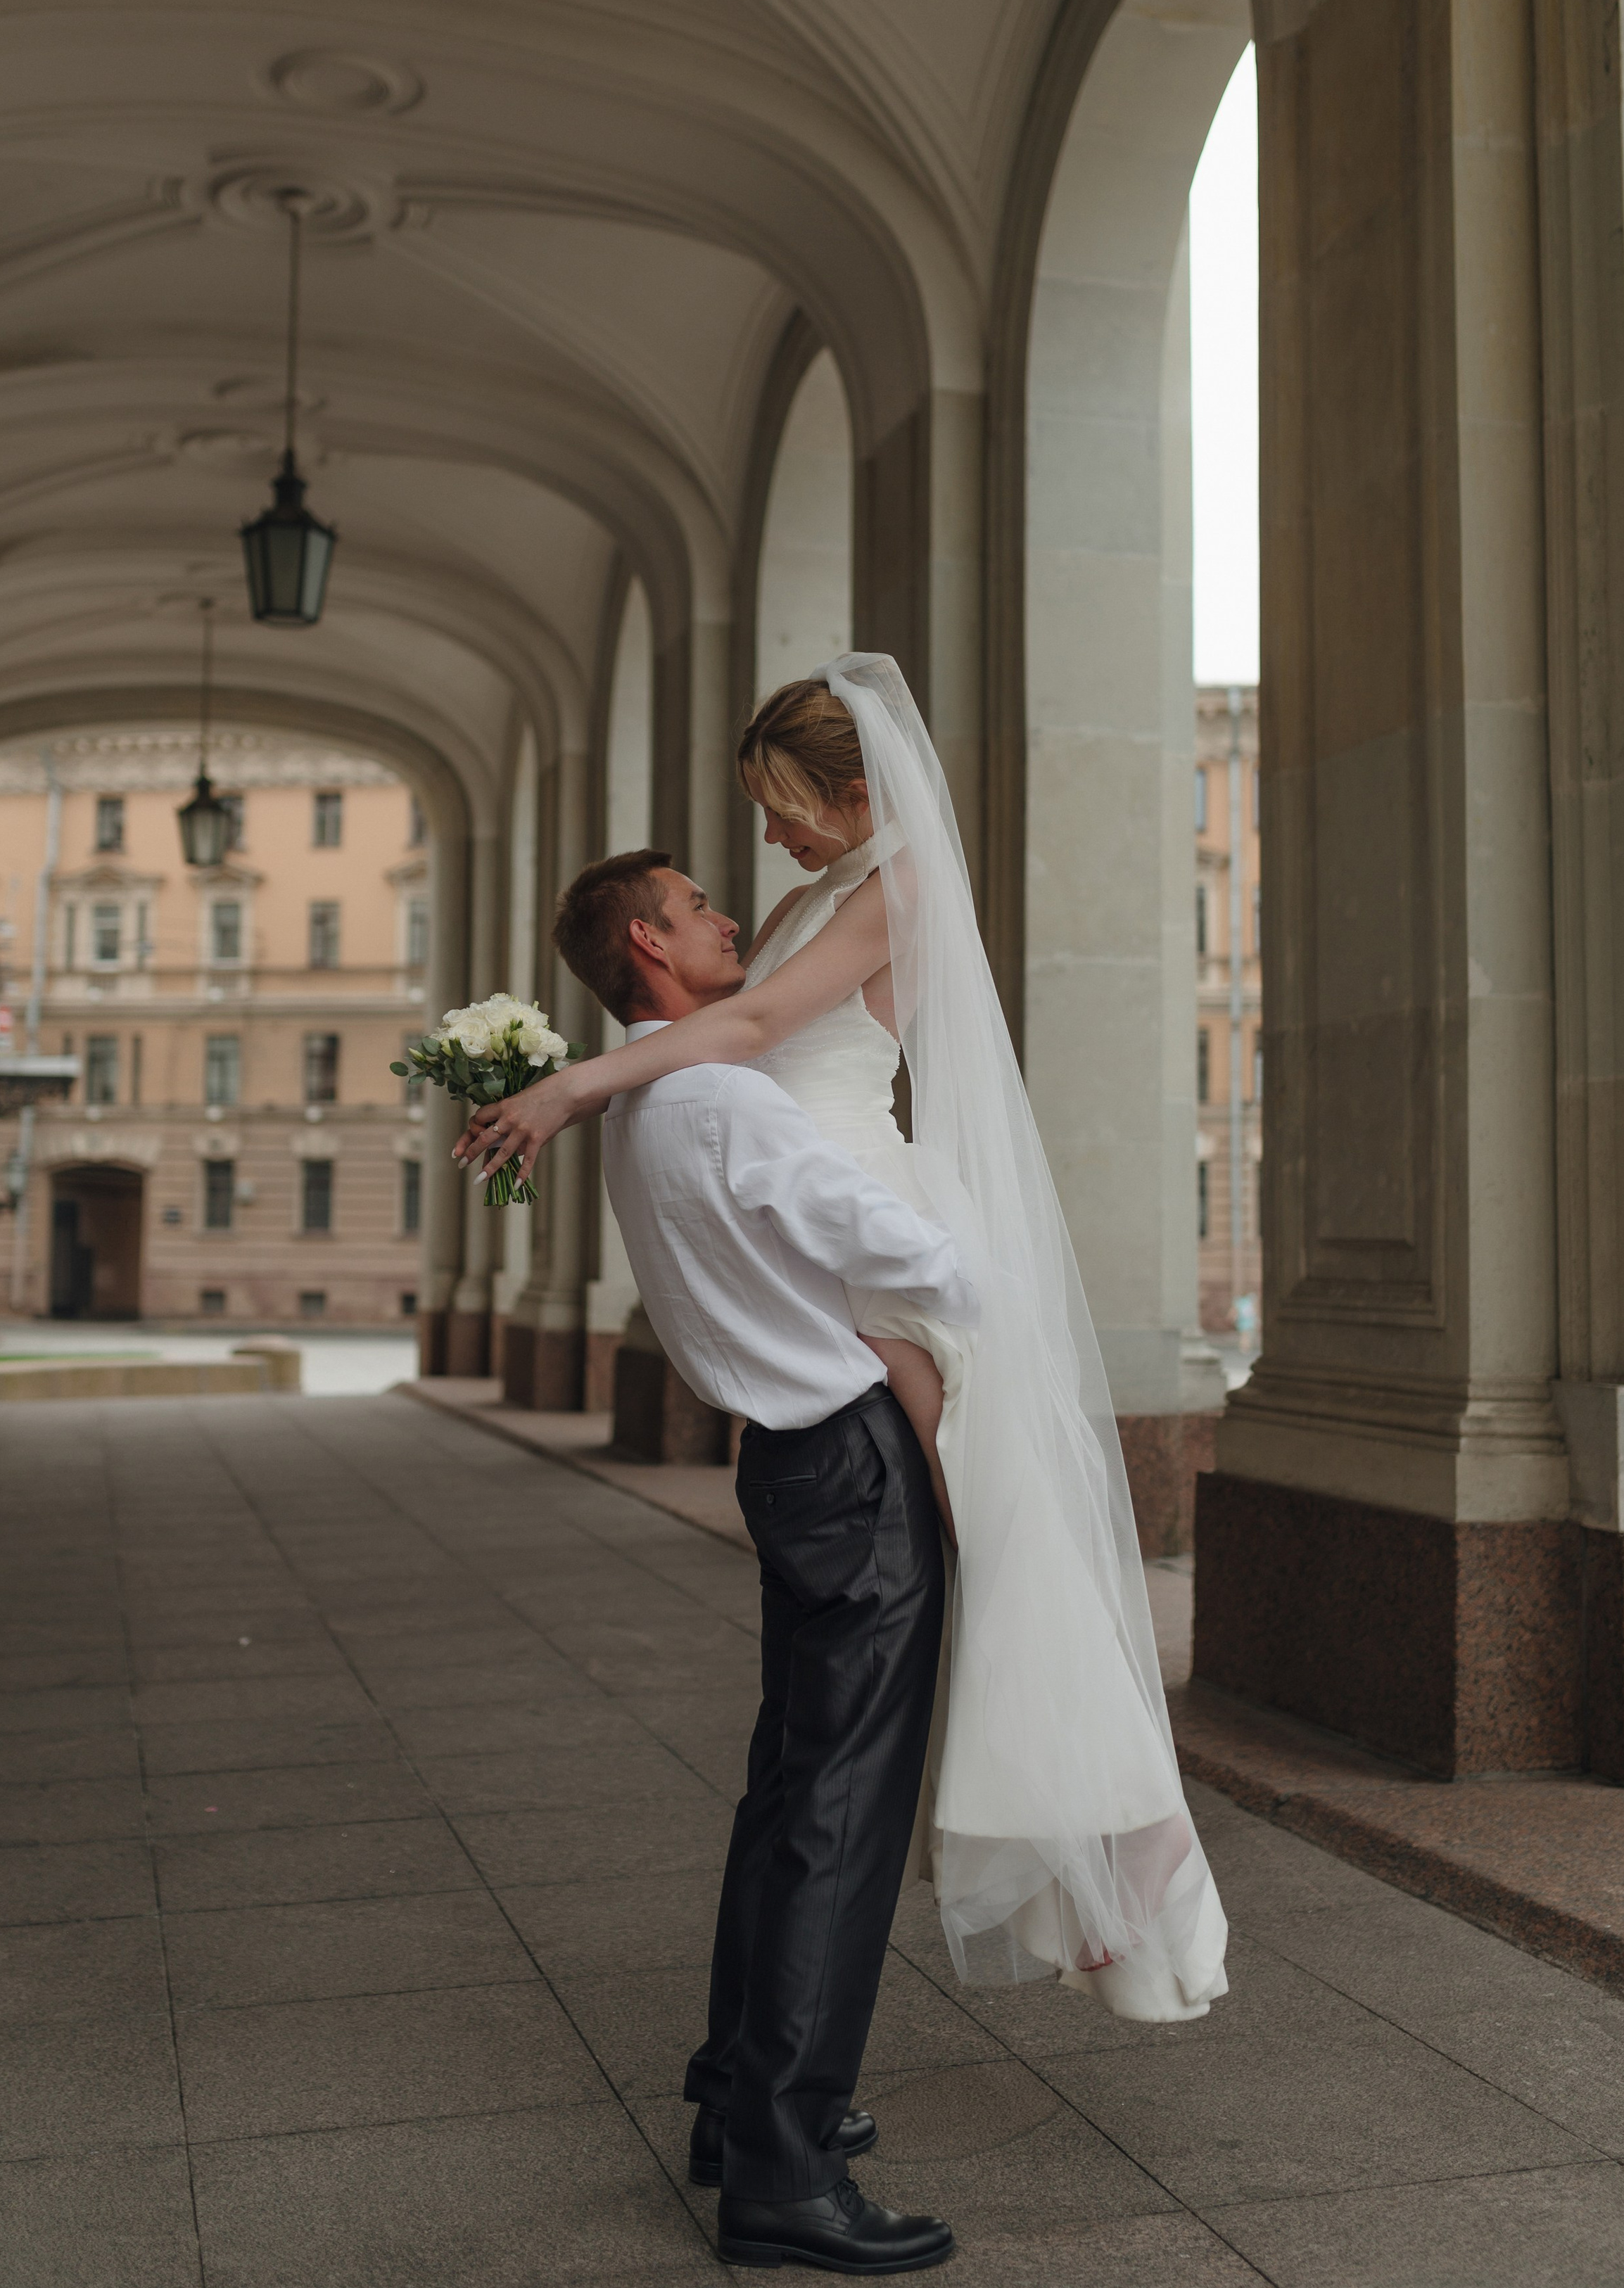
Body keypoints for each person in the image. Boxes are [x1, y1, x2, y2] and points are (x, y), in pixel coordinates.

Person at [464, 652, 1229, 2025]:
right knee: (962, 1570)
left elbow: (751, 1023)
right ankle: (1079, 1842)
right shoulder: (818, 891)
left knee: (1001, 1550)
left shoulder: (902, 884)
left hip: (869, 1205)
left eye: (783, 808)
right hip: (821, 1232)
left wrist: (571, 1085)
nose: (764, 841)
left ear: (856, 790)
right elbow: (727, 1029)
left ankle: (1122, 1837)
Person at [549, 846, 976, 2274]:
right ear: (645, 944)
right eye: (695, 906)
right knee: (837, 1815)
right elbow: (889, 1242)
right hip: (845, 1467)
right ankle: (786, 2168)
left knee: (790, 1785)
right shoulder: (722, 1094)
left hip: (785, 1462)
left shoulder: (642, 1104)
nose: (728, 915)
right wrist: (995, 1258)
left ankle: (739, 2104)